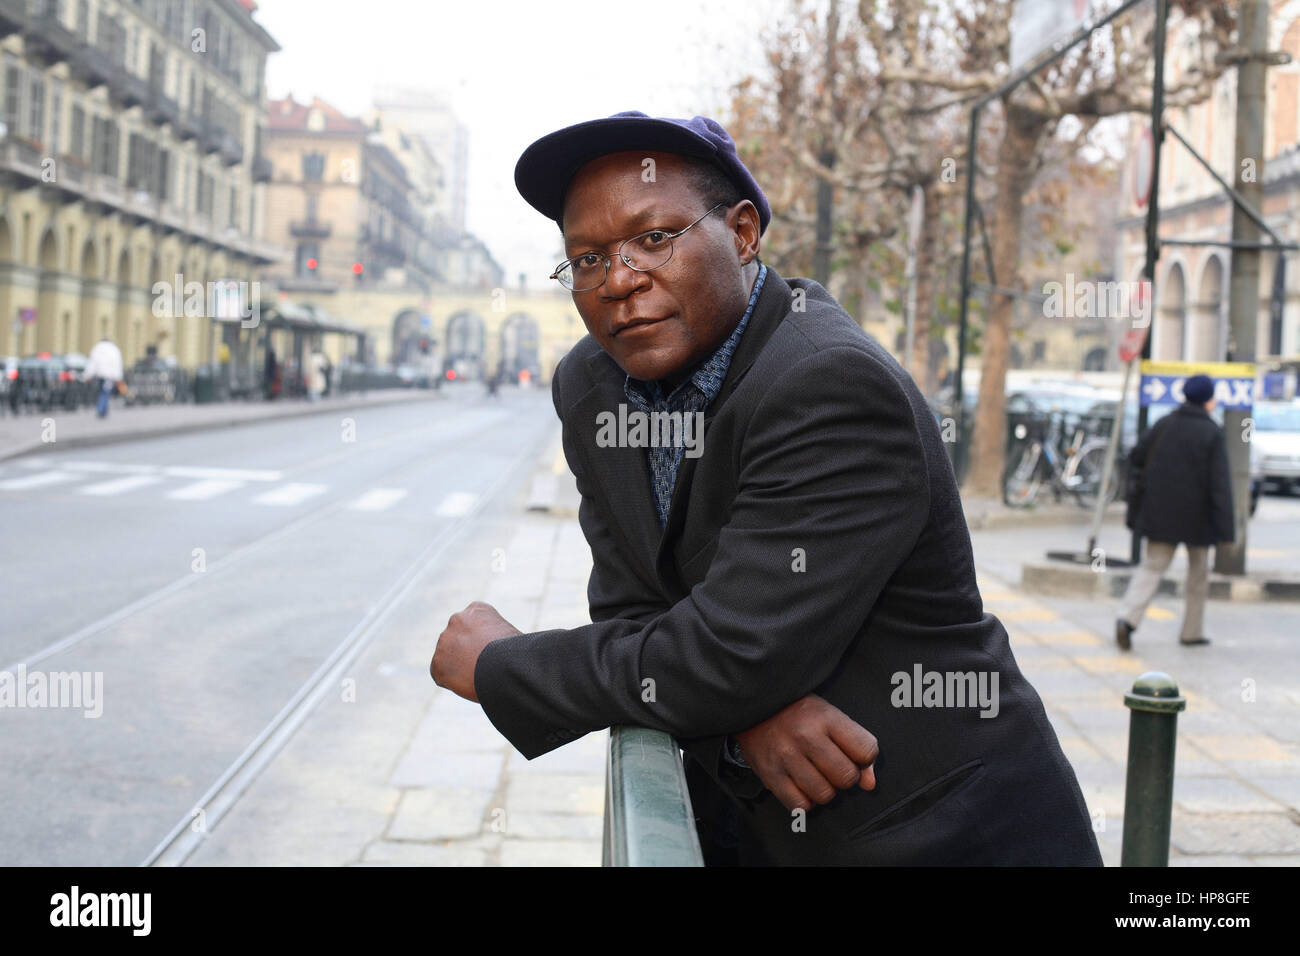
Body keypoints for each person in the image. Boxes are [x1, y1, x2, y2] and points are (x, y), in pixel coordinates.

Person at [430, 110, 1101, 865]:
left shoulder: (828, 382)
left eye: (655, 238)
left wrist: (504, 664)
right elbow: (636, 606)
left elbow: (728, 653)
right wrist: (740, 719)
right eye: (587, 258)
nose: (618, 280)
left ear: (744, 233)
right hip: (744, 824)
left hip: (936, 827)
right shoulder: (592, 383)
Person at [1118, 374, 1234, 649]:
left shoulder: (1164, 424)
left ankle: (1127, 619)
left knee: (1151, 567)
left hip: (1161, 515)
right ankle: (1191, 632)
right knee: (1198, 576)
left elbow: (1135, 457)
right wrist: (1226, 530)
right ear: (1207, 399)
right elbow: (1220, 485)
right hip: (1199, 520)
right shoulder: (1212, 432)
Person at [81, 336, 124, 418]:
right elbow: (117, 364)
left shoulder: (97, 348)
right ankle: (101, 410)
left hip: (100, 375)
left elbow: (92, 363)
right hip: (110, 376)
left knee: (102, 391)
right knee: (105, 392)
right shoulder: (114, 349)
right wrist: (118, 377)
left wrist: (87, 375)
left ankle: (103, 409)